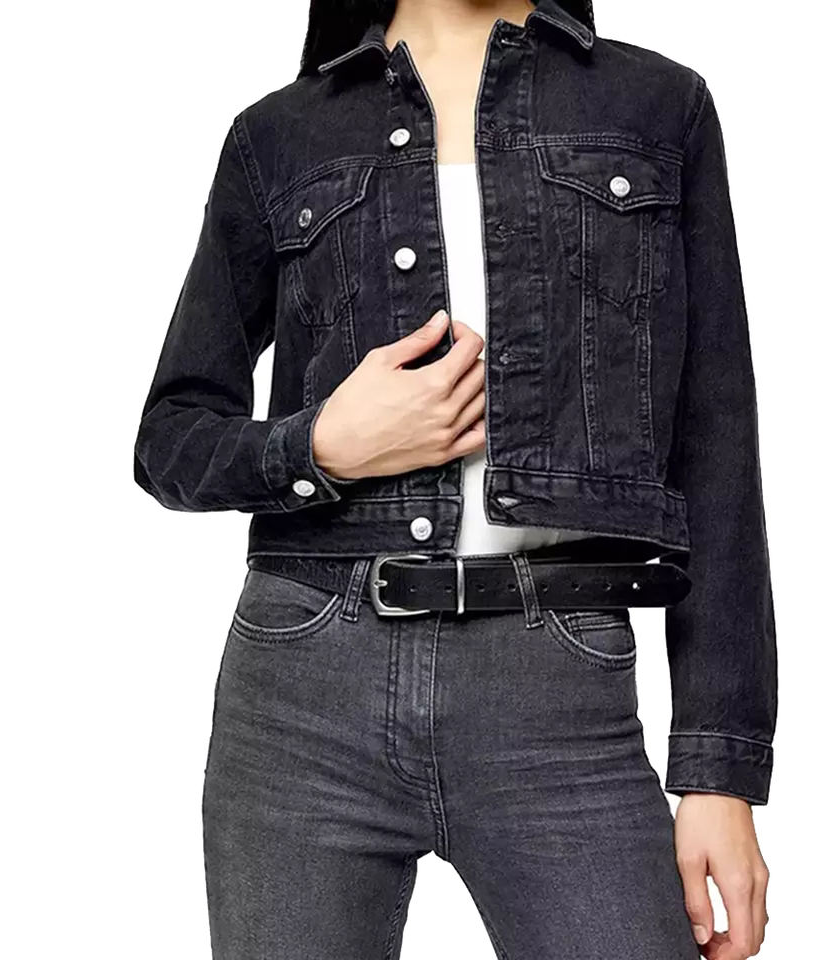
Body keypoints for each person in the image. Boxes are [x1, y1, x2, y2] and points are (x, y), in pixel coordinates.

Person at [133, 1, 777, 957]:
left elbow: (717, 441)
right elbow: (171, 438)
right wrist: (321, 446)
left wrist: (718, 772)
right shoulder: (279, 133)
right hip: (302, 691)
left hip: (556, 684)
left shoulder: (655, 105)